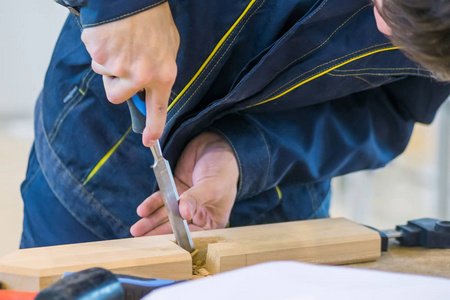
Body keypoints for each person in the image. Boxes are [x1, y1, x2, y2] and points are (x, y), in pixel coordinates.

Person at [20, 0, 449, 247]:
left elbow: (390, 108)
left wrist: (245, 154)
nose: (380, 26)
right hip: (92, 163)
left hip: (274, 213)